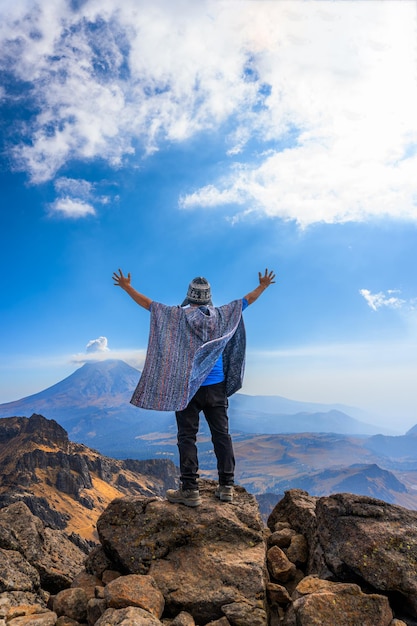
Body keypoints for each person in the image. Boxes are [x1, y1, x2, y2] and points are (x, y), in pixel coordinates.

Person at [113, 268, 276, 507]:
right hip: (216, 388)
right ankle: (226, 487)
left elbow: (148, 304)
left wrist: (127, 287)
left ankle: (190, 490)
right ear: (209, 297)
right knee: (222, 435)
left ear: (189, 296)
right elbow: (246, 300)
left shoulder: (177, 317)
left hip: (187, 389)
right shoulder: (222, 315)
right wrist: (263, 285)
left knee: (186, 437)